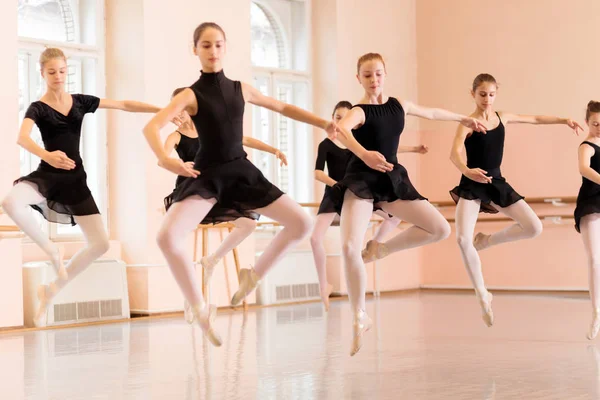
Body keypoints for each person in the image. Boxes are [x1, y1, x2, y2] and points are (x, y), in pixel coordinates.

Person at [142, 22, 336, 346]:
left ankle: (254, 274)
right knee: (166, 237)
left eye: (218, 44)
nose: (213, 51)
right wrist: (166, 159)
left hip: (242, 172)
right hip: (207, 176)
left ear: (225, 47)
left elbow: (283, 106)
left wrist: (323, 123)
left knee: (301, 223)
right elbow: (152, 127)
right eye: (206, 45)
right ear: (195, 50)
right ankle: (199, 307)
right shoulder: (191, 94)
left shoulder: (241, 89)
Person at [331, 52, 486, 356]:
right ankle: (359, 315)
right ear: (358, 78)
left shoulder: (398, 105)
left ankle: (382, 248)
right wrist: (365, 155)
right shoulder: (359, 111)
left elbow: (430, 112)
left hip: (390, 179)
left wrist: (462, 118)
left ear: (385, 74)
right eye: (367, 75)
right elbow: (342, 130)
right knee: (349, 247)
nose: (374, 80)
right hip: (362, 179)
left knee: (440, 228)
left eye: (378, 74)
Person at [1, 47, 164, 327]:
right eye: (52, 72)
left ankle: (51, 290)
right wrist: (47, 155)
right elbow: (22, 138)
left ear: (67, 71)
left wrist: (164, 111)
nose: (58, 76)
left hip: (76, 180)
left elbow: (124, 104)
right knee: (10, 202)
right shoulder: (37, 108)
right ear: (42, 73)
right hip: (49, 175)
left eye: (62, 71)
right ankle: (51, 250)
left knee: (100, 244)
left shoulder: (80, 102)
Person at [450, 73, 582, 327]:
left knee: (534, 227)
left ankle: (487, 241)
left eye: (491, 94)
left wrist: (563, 119)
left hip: (496, 183)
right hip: (472, 183)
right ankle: (482, 294)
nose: (487, 100)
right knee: (462, 239)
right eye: (482, 95)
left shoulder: (503, 117)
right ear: (472, 94)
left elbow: (534, 119)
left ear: (496, 93)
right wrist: (467, 171)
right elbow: (454, 152)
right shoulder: (468, 123)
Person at [163, 87, 287, 324]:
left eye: (181, 109)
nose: (177, 114)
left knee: (248, 224)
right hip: (191, 189)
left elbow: (243, 140)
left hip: (218, 188)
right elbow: (163, 157)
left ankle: (213, 259)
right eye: (174, 109)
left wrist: (273, 149)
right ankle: (192, 298)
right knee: (178, 240)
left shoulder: (210, 131)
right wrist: (179, 164)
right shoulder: (175, 136)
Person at [311, 100, 428, 310]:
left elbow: (389, 146)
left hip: (358, 191)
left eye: (345, 119)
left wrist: (414, 149)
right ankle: (323, 285)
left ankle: (376, 244)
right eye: (338, 118)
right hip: (335, 193)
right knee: (315, 237)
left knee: (395, 217)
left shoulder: (356, 143)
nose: (341, 122)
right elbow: (318, 173)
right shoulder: (326, 145)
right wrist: (335, 184)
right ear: (333, 119)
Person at [574, 100, 600, 339]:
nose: (599, 127)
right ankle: (596, 314)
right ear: (587, 123)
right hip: (591, 203)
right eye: (595, 124)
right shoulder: (587, 145)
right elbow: (584, 168)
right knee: (594, 259)